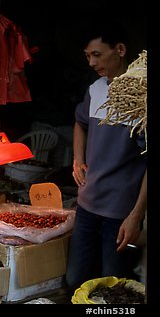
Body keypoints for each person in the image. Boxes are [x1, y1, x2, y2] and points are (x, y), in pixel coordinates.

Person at [65, 20, 147, 294]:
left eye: (97, 54)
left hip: (120, 213)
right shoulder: (95, 90)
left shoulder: (140, 98)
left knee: (113, 287)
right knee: (75, 279)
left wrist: (136, 216)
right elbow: (80, 123)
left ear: (120, 50)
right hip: (87, 205)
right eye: (87, 56)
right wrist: (78, 159)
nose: (91, 62)